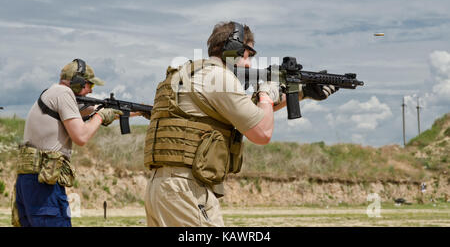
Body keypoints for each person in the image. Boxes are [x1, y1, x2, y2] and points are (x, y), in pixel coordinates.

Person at [143, 21, 339, 227]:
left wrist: (302, 93)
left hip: (162, 186)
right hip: (187, 189)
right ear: (234, 49)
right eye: (249, 55)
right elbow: (261, 133)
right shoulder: (219, 78)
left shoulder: (192, 74)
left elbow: (248, 114)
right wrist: (265, 93)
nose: (250, 64)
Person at [12, 58, 123, 227]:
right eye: (89, 85)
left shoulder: (53, 93)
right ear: (78, 83)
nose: (90, 91)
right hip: (44, 184)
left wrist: (132, 112)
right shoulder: (63, 94)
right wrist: (101, 117)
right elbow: (81, 137)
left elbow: (90, 110)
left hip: (30, 180)